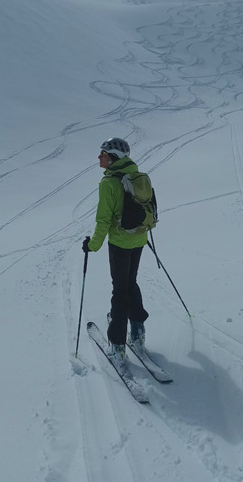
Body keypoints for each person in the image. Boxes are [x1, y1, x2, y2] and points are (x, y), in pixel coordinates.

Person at [82, 137, 148, 365]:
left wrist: (92, 246)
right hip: (139, 239)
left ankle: (118, 345)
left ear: (113, 158)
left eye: (103, 154)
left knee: (119, 291)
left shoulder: (109, 183)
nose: (99, 158)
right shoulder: (136, 175)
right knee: (131, 283)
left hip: (120, 243)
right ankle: (138, 332)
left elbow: (103, 221)